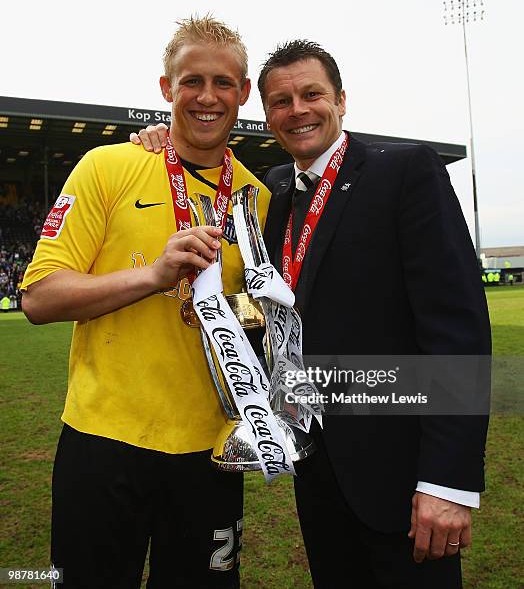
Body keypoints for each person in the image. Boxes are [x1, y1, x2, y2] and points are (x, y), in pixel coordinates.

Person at [136, 39, 491, 588]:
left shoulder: (405, 173)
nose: (297, 110)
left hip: (402, 476)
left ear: (342, 100)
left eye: (311, 94)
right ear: (267, 114)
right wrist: (160, 139)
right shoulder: (276, 191)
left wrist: (446, 482)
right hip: (317, 470)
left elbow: (457, 328)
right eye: (280, 101)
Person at [21, 16, 270, 589]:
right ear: (166, 88)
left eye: (223, 83)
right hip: (104, 445)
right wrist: (155, 275)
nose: (207, 97)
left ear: (243, 94)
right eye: (191, 81)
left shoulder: (258, 196)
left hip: (212, 452)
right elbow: (38, 297)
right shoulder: (108, 166)